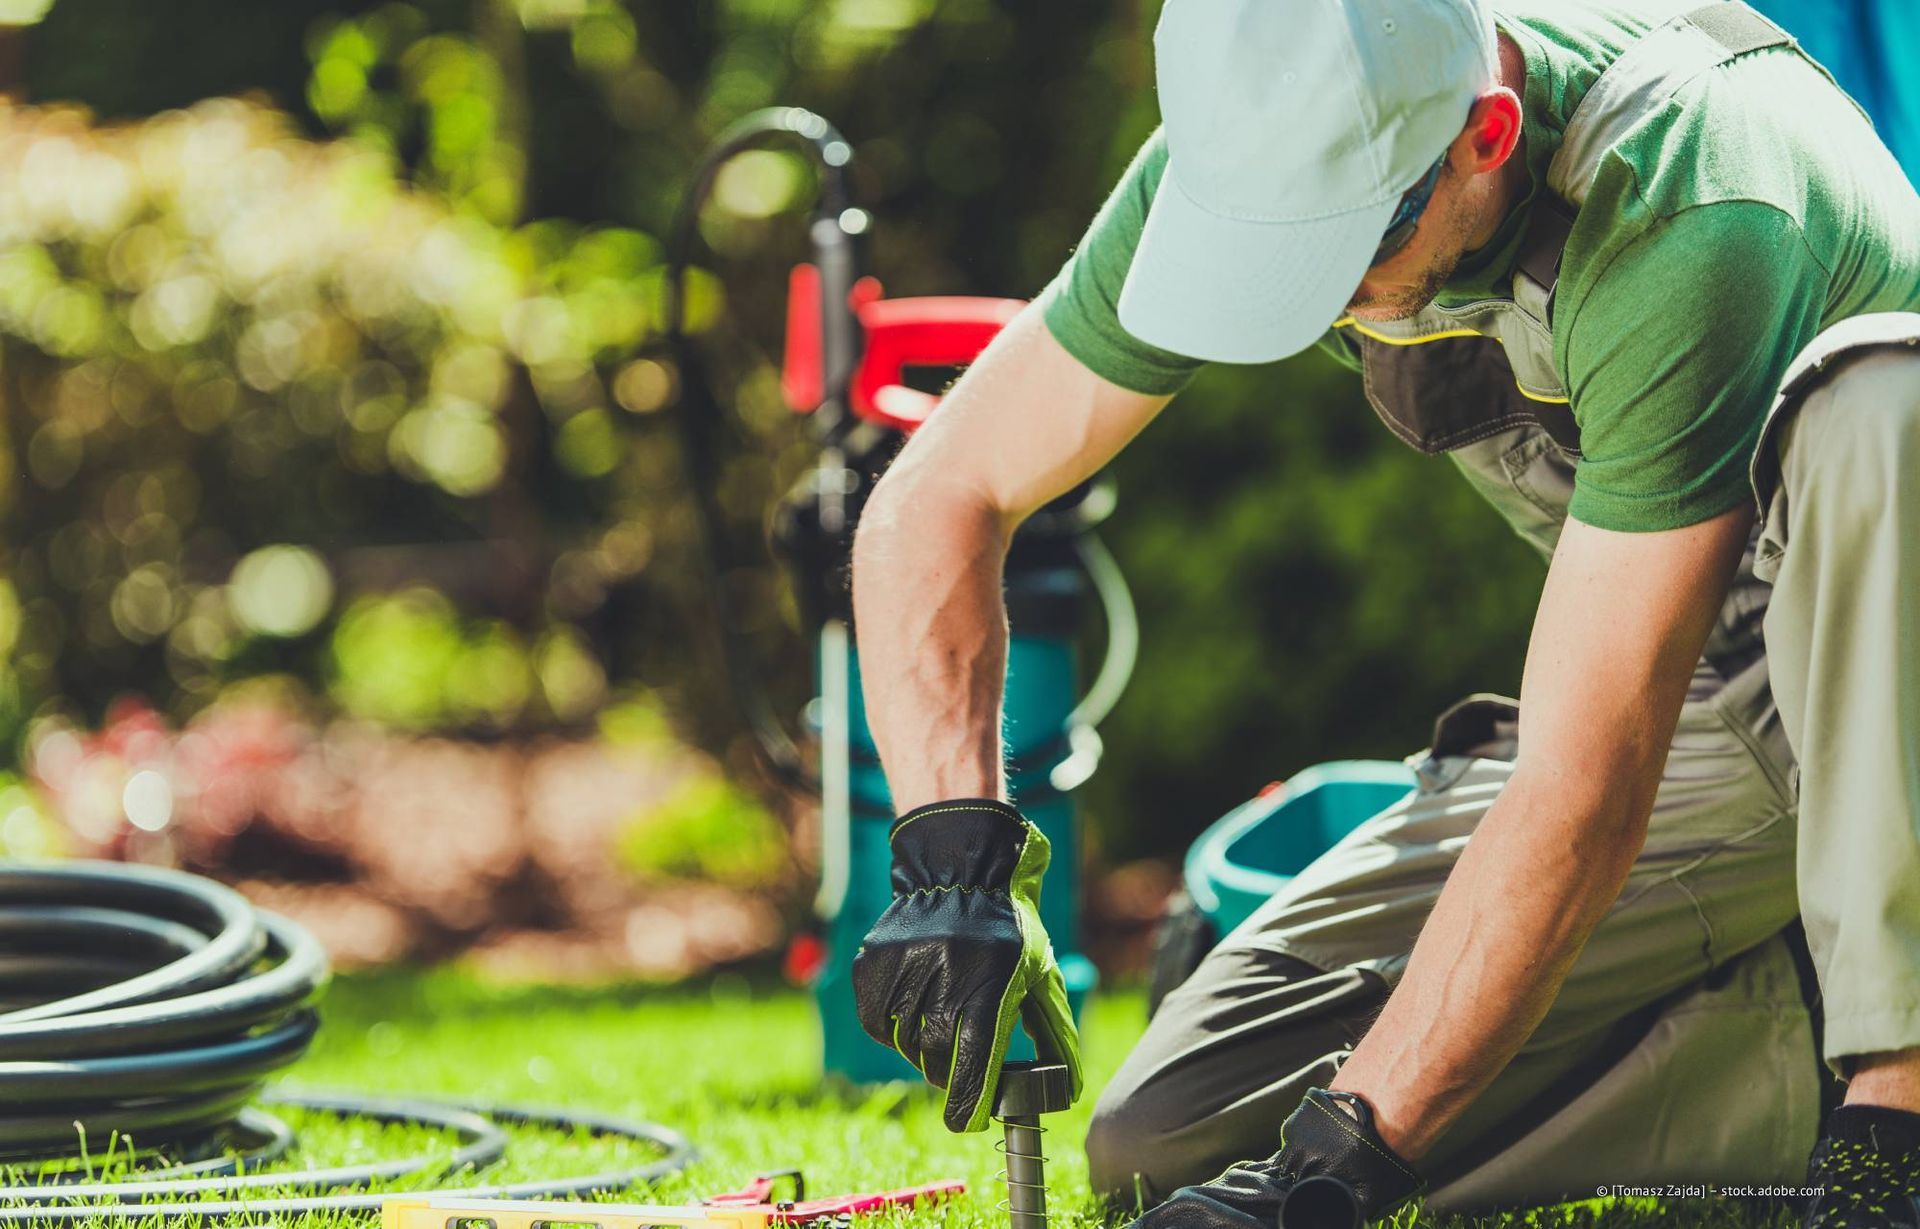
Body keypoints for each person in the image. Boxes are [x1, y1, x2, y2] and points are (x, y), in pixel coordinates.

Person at [845, 0, 1920, 1224]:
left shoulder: (1695, 198)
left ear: (1487, 136)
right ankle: (1799, 1032)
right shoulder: (1259, 151)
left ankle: (1894, 1113)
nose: (1321, 297)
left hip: (1886, 706)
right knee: (1165, 1134)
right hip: (1702, 716)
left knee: (1889, 400)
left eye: (1349, 248)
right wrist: (950, 856)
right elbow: (942, 491)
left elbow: (1584, 786)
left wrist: (1341, 1163)